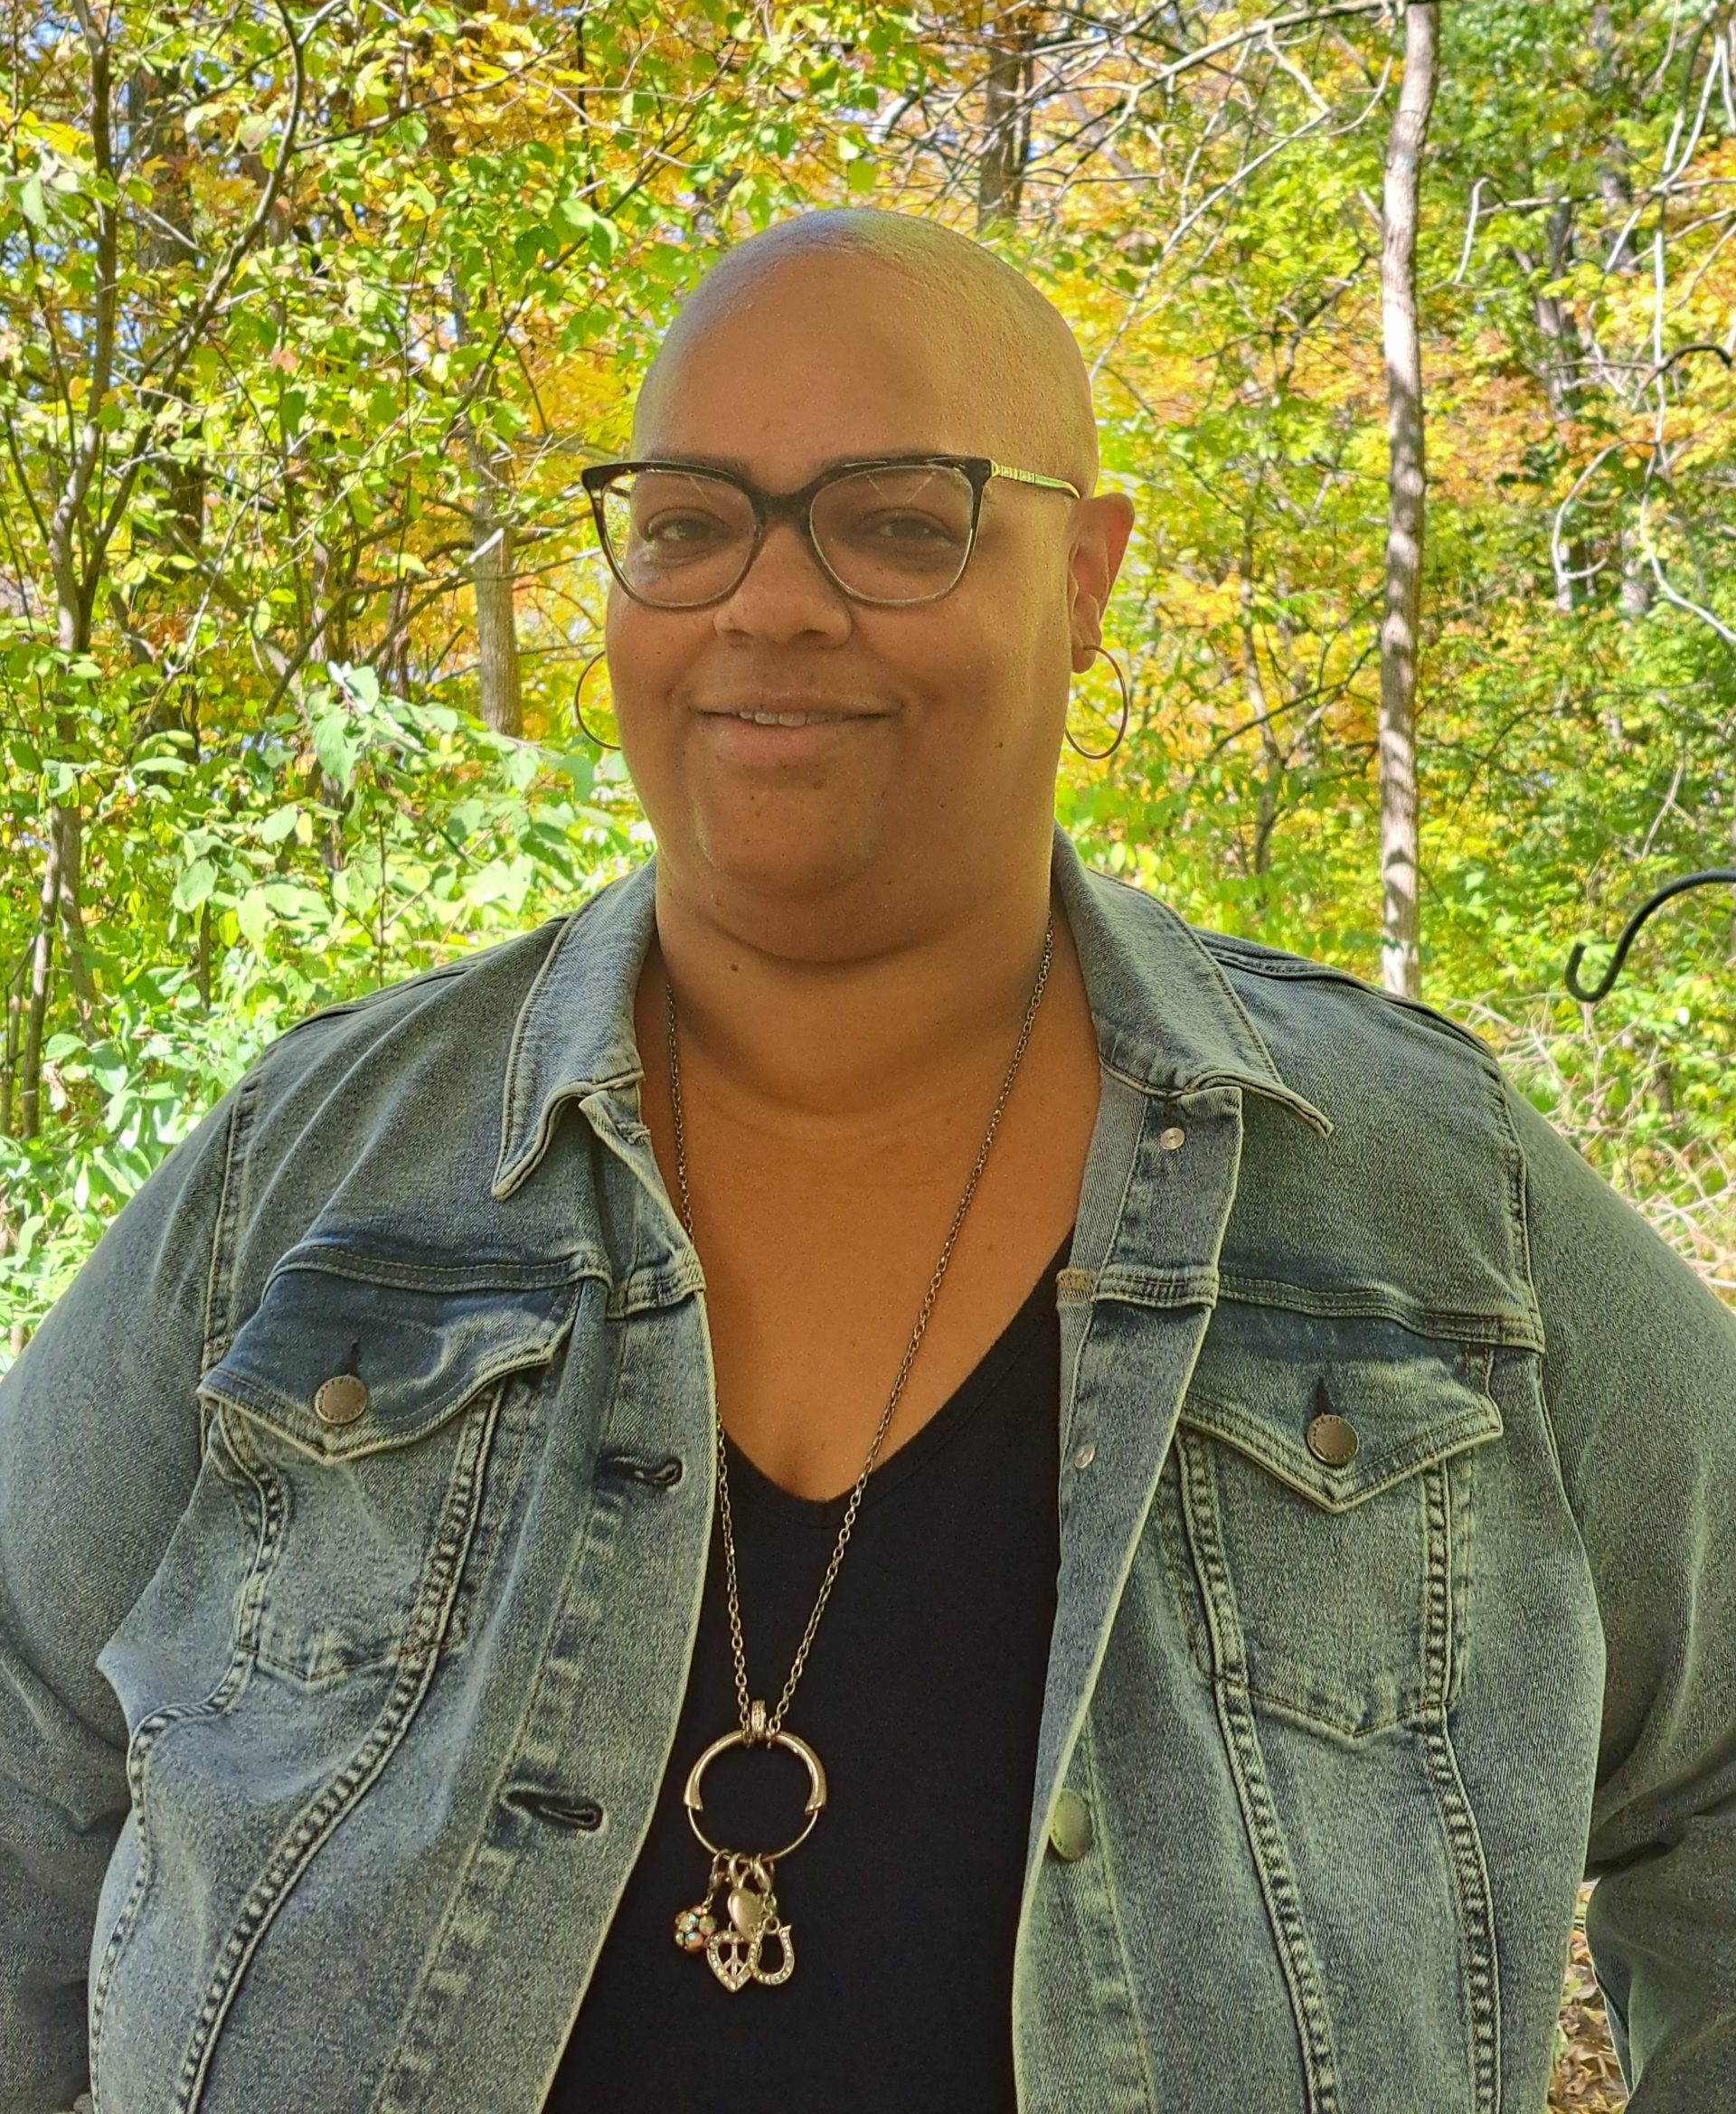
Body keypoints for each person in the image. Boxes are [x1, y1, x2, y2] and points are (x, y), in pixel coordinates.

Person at [2, 206, 1732, 2114]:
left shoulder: (1426, 1197)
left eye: (896, 518)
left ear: (1082, 576)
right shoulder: (309, 1180)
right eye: (687, 519)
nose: (768, 600)